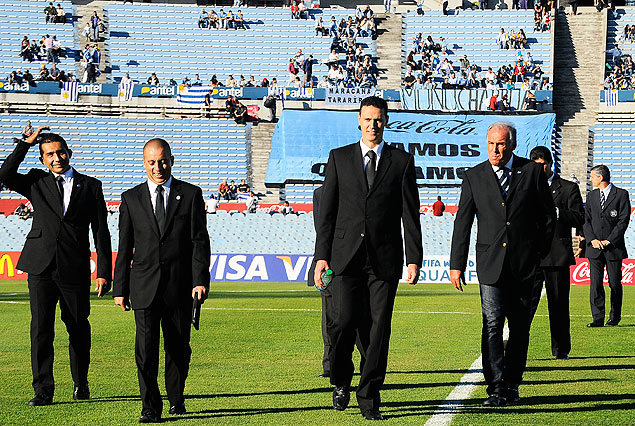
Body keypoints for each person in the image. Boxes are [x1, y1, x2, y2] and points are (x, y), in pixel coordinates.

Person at [313, 96, 422, 421]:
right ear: (359, 121)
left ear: (385, 121)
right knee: (343, 321)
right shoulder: (340, 158)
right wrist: (321, 257)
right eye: (367, 119)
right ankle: (341, 379)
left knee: (378, 332)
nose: (372, 125)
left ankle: (369, 396)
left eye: (378, 119)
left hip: (384, 261)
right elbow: (327, 214)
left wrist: (414, 258)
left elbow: (410, 213)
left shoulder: (401, 161)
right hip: (344, 259)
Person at [0, 126, 112, 406]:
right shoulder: (36, 181)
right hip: (40, 266)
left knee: (77, 327)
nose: (56, 158)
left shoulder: (91, 186)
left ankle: (80, 383)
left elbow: (101, 231)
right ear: (42, 160)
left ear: (69, 153)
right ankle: (42, 390)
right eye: (49, 154)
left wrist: (103, 272)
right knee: (41, 329)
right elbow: (4, 175)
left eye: (60, 152)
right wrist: (25, 144)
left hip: (74, 267)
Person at [450, 122, 556, 407]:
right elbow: (463, 221)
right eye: (491, 144)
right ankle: (495, 386)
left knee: (520, 327)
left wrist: (538, 253)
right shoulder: (474, 176)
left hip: (524, 265)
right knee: (493, 324)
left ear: (512, 144)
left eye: (500, 144)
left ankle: (512, 384)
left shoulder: (532, 172)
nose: (495, 150)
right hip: (490, 264)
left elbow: (548, 217)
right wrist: (456, 264)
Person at [113, 139, 210, 423]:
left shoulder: (190, 195)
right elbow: (125, 246)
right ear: (144, 163)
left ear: (172, 159)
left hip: (180, 288)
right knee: (145, 351)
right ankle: (149, 407)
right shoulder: (130, 198)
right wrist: (120, 288)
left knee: (179, 348)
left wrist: (200, 280)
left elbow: (199, 242)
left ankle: (176, 399)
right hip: (143, 287)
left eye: (163, 160)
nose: (158, 167)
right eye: (152, 162)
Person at [528, 146, 584, 360]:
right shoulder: (526, 186)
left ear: (550, 163)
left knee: (559, 304)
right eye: (536, 166)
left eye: (542, 165)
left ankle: (561, 349)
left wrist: (557, 212)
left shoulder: (568, 188)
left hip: (557, 255)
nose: (540, 170)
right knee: (525, 304)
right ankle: (515, 344)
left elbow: (579, 217)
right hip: (531, 255)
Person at [583, 165, 630, 327]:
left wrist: (609, 240)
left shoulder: (622, 194)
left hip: (613, 248)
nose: (590, 179)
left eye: (592, 176)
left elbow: (623, 220)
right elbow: (586, 220)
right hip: (594, 248)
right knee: (595, 284)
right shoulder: (591, 196)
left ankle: (614, 317)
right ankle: (597, 318)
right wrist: (592, 240)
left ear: (600, 177)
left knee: (615, 283)